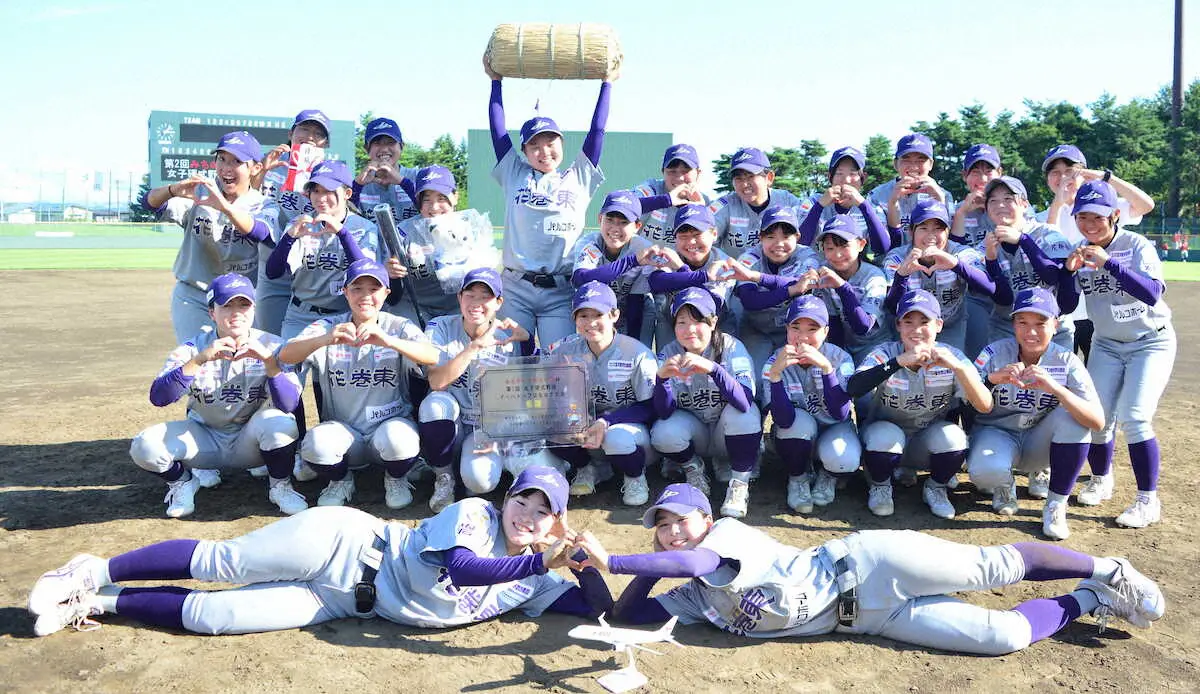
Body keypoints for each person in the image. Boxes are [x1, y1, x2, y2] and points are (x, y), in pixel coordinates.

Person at [568, 483, 1165, 656]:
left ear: (703, 518)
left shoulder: (723, 538)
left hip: (872, 563)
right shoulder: (692, 596)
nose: (671, 530)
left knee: (993, 567)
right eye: (661, 524)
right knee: (1002, 636)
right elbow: (622, 616)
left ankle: (1107, 567)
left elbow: (691, 558)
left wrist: (618, 557)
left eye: (679, 519)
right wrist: (610, 570)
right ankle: (1088, 600)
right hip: (871, 621)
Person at [27, 467, 612, 638]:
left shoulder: (536, 583)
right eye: (523, 501)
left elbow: (603, 611)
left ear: (555, 521)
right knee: (223, 563)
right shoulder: (476, 515)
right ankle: (89, 569)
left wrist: (591, 563)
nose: (527, 515)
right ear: (507, 500)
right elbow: (462, 568)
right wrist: (546, 558)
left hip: (340, 605)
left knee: (214, 616)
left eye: (542, 511)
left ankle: (102, 601)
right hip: (346, 544)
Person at [129, 273, 304, 518]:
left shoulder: (273, 346)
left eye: (244, 304)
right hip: (205, 438)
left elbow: (290, 403)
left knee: (282, 424)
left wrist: (268, 362)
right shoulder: (193, 348)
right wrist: (200, 359)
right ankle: (182, 483)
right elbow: (159, 397)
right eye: (227, 305)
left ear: (254, 309)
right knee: (144, 446)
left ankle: (280, 487)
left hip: (250, 441)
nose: (236, 312)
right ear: (212, 312)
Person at [1054, 180, 1175, 529]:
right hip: (1107, 344)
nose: (1090, 225)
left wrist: (1109, 264)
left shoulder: (1135, 245)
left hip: (1150, 341)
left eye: (1098, 218)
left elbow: (1152, 293)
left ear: (1115, 215)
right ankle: (1100, 478)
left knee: (1135, 417)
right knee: (1097, 417)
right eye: (1082, 217)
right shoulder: (1079, 250)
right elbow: (1065, 305)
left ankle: (1146, 500)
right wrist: (1068, 274)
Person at [277, 259, 439, 509]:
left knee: (400, 440)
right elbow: (285, 355)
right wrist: (324, 340)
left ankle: (395, 477)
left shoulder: (397, 326)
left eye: (373, 289)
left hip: (388, 426)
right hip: (344, 431)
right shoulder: (329, 326)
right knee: (316, 445)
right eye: (357, 288)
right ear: (345, 292)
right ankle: (341, 480)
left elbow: (432, 356)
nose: (365, 296)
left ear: (386, 292)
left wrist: (389, 342)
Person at [484, 53, 614, 350]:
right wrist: (495, 83)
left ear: (561, 144)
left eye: (550, 142)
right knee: (509, 361)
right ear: (525, 150)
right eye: (535, 145)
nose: (544, 151)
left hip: (560, 288)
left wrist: (607, 84)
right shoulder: (514, 172)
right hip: (516, 286)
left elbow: (597, 132)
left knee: (562, 364)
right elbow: (498, 132)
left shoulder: (579, 176)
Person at [967, 288, 1104, 540]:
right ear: (1013, 324)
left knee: (1074, 421)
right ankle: (1004, 484)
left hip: (1039, 440)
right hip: (997, 433)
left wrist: (1055, 388)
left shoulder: (1066, 360)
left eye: (1040, 323)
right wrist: (991, 379)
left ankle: (1055, 504)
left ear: (1055, 324)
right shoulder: (993, 353)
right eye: (1023, 322)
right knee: (983, 472)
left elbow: (1096, 421)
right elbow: (964, 401)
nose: (1031, 332)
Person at [846, 290, 993, 519]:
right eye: (908, 322)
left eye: (925, 322)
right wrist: (897, 362)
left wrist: (960, 369)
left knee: (954, 437)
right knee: (884, 435)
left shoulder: (952, 356)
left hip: (924, 440)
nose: (916, 330)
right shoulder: (886, 352)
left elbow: (985, 405)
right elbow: (854, 387)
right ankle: (881, 486)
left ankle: (935, 488)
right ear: (898, 325)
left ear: (939, 325)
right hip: (885, 439)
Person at [419, 268, 545, 512]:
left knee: (480, 481)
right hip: (453, 420)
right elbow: (436, 382)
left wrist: (527, 340)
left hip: (488, 427)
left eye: (485, 296)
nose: (476, 303)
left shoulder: (507, 336)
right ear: (459, 297)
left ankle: (467, 473)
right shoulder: (440, 327)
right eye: (470, 294)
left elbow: (531, 384)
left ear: (498, 303)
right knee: (434, 404)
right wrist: (474, 347)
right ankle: (444, 476)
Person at [140, 131, 271, 343]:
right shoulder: (199, 193)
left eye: (237, 161)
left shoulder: (263, 205)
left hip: (240, 300)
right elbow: (150, 203)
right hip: (195, 295)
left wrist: (224, 207)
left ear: (255, 168)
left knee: (238, 362)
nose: (227, 167)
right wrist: (173, 189)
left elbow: (262, 232)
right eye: (222, 159)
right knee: (198, 360)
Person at [1036, 144, 1154, 363]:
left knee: (1099, 381)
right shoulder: (1041, 217)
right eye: (1055, 173)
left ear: (1085, 174)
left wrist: (1107, 178)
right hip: (1063, 315)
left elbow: (1146, 205)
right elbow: (1047, 246)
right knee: (1062, 378)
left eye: (1070, 171)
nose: (1063, 178)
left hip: (1100, 313)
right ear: (1048, 180)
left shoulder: (1104, 206)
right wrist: (1058, 203)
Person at [650, 288, 761, 518]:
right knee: (662, 432)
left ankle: (739, 483)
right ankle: (693, 468)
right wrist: (662, 381)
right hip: (696, 432)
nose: (689, 329)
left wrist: (713, 369)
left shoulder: (731, 347)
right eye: (681, 322)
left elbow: (744, 401)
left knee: (746, 415)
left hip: (724, 430)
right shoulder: (668, 353)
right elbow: (664, 411)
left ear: (713, 322)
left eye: (698, 320)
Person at [548, 282, 658, 506]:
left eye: (598, 314)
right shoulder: (565, 350)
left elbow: (651, 407)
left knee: (616, 438)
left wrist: (606, 421)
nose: (590, 323)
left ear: (614, 315)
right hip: (587, 429)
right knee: (553, 426)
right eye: (583, 316)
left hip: (630, 431)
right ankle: (590, 468)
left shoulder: (636, 352)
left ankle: (635, 476)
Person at [265, 159, 385, 341]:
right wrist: (289, 238)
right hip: (301, 314)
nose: (321, 198)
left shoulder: (363, 227)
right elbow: (273, 272)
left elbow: (365, 271)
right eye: (316, 190)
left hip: (346, 315)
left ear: (347, 193)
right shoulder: (300, 223)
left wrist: (342, 233)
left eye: (328, 191)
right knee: (292, 367)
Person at [761, 296, 858, 514]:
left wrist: (826, 370)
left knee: (845, 459)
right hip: (798, 431)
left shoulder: (840, 358)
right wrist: (775, 375)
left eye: (812, 329)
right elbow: (783, 420)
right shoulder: (774, 361)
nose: (802, 337)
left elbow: (840, 413)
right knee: (797, 424)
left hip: (833, 427)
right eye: (795, 327)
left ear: (825, 331)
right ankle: (798, 478)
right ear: (787, 329)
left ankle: (828, 474)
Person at [570, 188, 691, 344]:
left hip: (635, 308)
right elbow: (582, 279)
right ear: (600, 219)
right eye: (610, 220)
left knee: (634, 352)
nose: (615, 228)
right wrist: (633, 261)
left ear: (637, 226)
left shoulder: (642, 247)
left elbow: (637, 300)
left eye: (624, 222)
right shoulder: (589, 242)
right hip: (596, 310)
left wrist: (632, 345)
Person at [386, 165, 498, 329]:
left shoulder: (472, 227)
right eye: (427, 200)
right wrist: (391, 273)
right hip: (415, 305)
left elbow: (488, 278)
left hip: (459, 305)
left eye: (441, 198)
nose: (434, 207)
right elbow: (392, 290)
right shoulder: (403, 231)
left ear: (455, 197)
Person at [255, 109, 334, 337]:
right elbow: (249, 202)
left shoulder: (330, 174)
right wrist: (259, 172)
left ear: (325, 143)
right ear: (291, 133)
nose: (310, 136)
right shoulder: (272, 167)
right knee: (270, 341)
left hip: (313, 270)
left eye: (318, 133)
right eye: (304, 129)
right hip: (273, 265)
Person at [881, 199, 995, 353]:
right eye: (923, 228)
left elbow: (989, 287)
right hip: (911, 328)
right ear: (911, 231)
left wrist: (956, 265)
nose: (931, 235)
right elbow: (891, 306)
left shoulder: (961, 253)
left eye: (938, 229)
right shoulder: (897, 257)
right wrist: (902, 275)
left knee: (949, 370)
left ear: (948, 232)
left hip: (950, 325)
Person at [733, 205, 821, 377]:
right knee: (756, 381)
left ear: (797, 237)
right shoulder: (748, 258)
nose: (778, 244)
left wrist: (757, 277)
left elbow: (806, 284)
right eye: (771, 236)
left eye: (786, 236)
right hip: (756, 330)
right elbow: (750, 300)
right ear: (760, 238)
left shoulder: (807, 255)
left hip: (794, 333)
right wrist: (791, 290)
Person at [647, 203, 741, 349]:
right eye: (683, 236)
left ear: (714, 234)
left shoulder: (723, 263)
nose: (691, 242)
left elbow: (715, 305)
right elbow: (656, 282)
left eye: (697, 235)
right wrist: (696, 274)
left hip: (715, 326)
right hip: (673, 324)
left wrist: (680, 268)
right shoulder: (671, 255)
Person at [808, 214, 889, 366]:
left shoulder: (874, 276)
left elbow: (863, 327)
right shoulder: (824, 272)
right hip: (845, 345)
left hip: (874, 345)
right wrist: (839, 357)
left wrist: (842, 287)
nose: (837, 255)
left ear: (861, 244)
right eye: (830, 248)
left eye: (844, 246)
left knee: (864, 385)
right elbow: (833, 323)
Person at [795, 146, 890, 259]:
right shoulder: (813, 202)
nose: (846, 180)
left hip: (854, 270)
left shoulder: (871, 207)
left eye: (853, 174)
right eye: (839, 173)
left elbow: (882, 248)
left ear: (863, 178)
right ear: (830, 176)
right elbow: (799, 243)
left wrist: (863, 206)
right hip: (817, 269)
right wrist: (819, 206)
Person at [710, 147, 806, 258]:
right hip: (735, 272)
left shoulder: (787, 201)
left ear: (769, 178)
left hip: (781, 272)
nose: (745, 184)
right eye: (738, 178)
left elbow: (806, 238)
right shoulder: (725, 205)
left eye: (750, 176)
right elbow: (705, 238)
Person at [866, 133, 956, 246]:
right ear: (895, 163)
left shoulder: (944, 195)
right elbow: (879, 246)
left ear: (931, 164)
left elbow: (949, 241)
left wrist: (940, 202)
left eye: (921, 160)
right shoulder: (876, 195)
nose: (913, 166)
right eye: (906, 159)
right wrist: (892, 203)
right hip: (888, 261)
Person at [634, 143, 709, 246]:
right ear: (663, 172)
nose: (679, 178)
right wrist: (666, 200)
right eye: (672, 171)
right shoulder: (652, 188)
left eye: (686, 171)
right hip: (640, 260)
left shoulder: (706, 203)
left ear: (698, 173)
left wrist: (699, 212)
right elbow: (627, 205)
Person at [352, 116, 420, 226]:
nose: (384, 149)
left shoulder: (418, 177)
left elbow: (434, 210)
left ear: (402, 146)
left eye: (390, 142)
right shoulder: (359, 183)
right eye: (377, 143)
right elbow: (345, 219)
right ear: (366, 149)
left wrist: (402, 182)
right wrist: (357, 185)